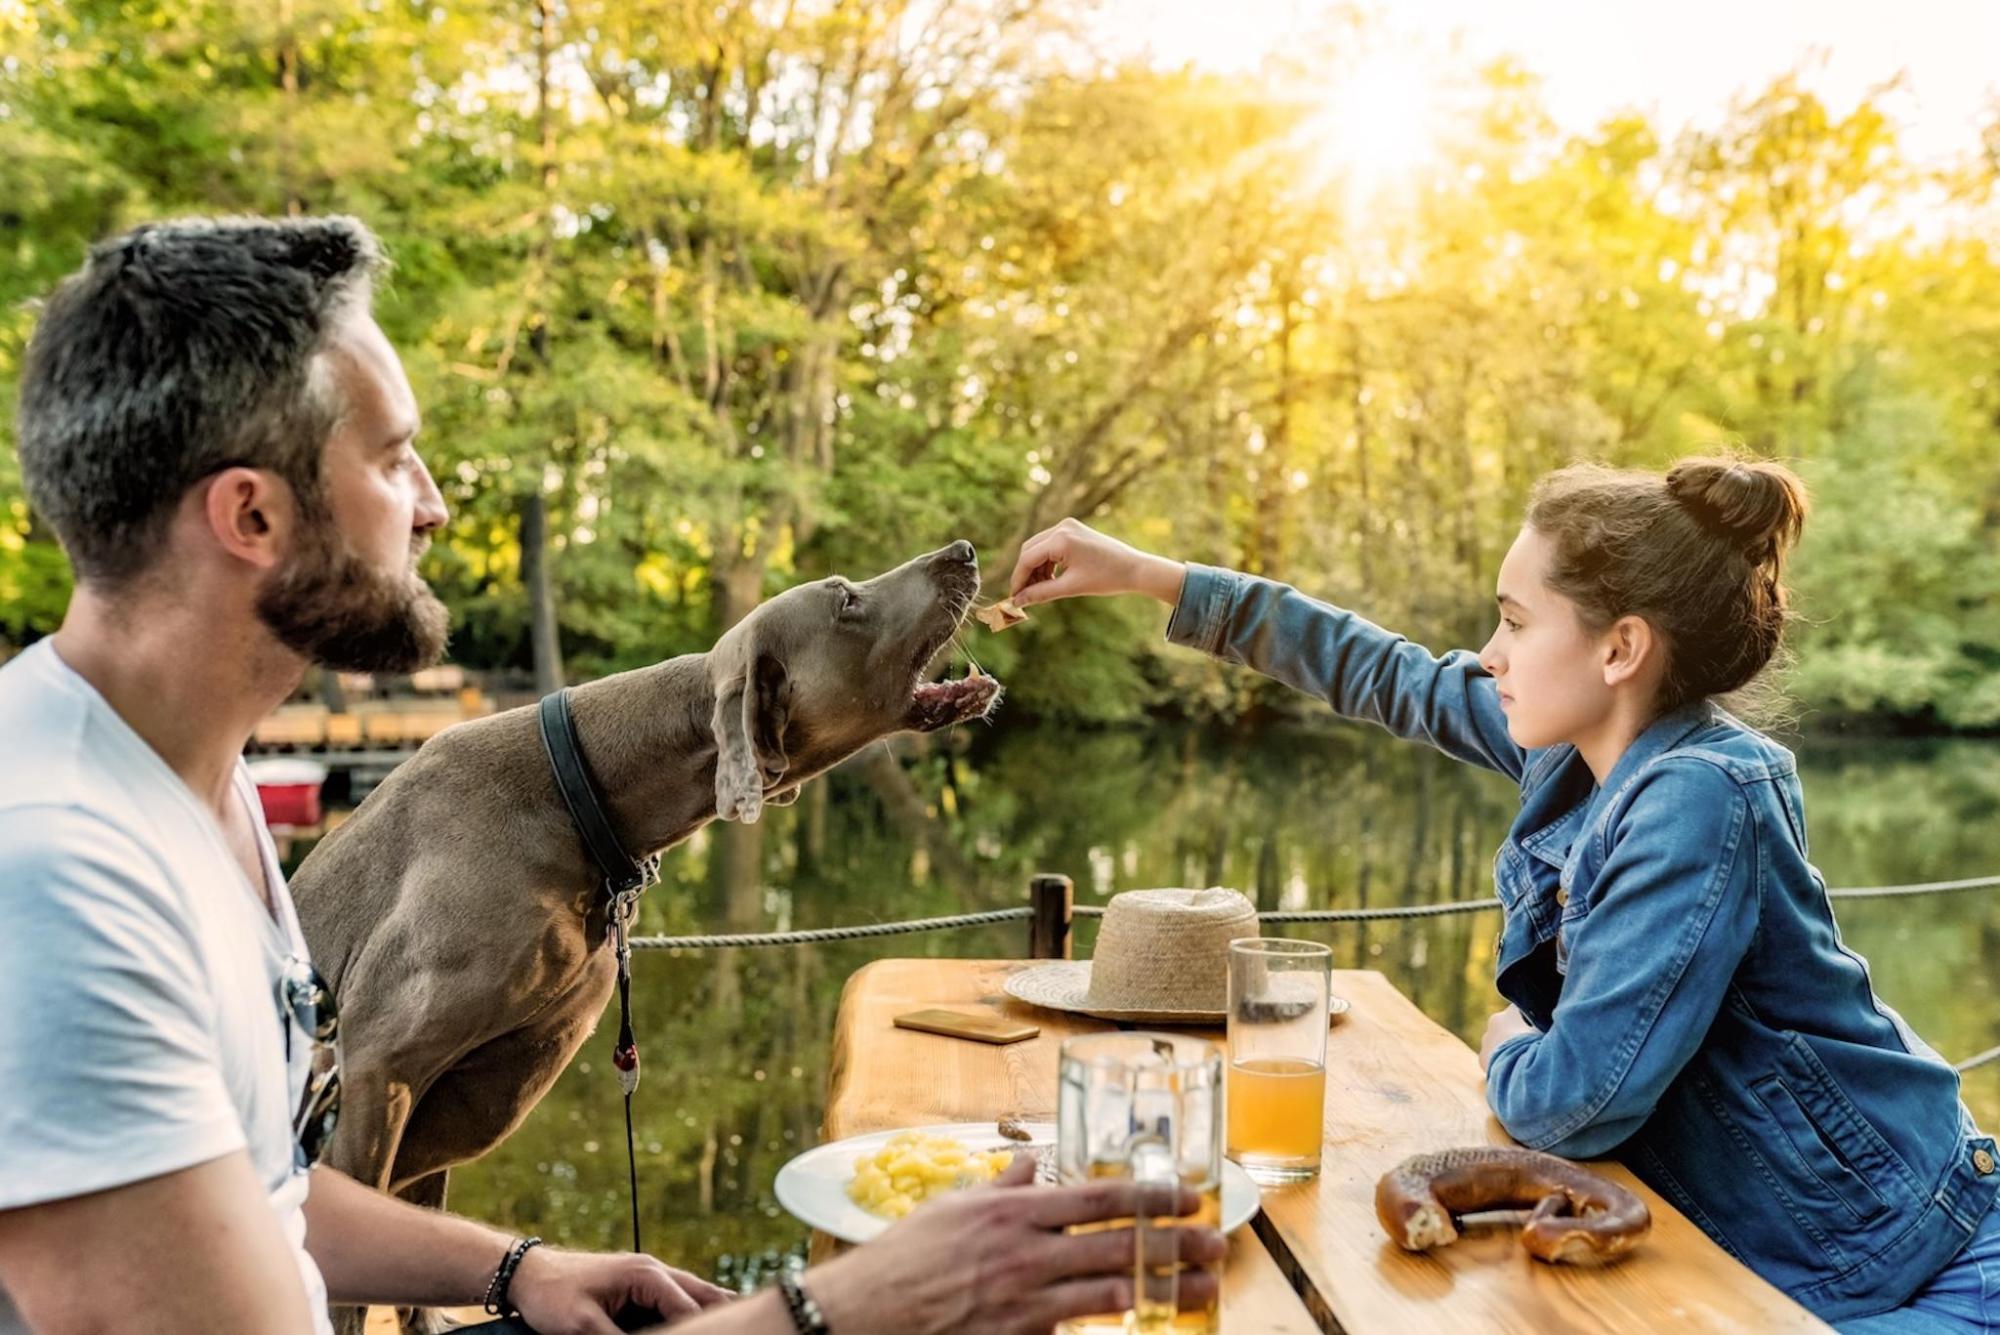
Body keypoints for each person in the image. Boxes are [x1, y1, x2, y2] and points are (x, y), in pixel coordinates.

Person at [0, 215, 1222, 1335]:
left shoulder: (176, 784)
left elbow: (253, 1196)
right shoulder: (58, 875)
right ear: (250, 517)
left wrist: (509, 1270)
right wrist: (824, 1313)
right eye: (393, 461)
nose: (428, 508)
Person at [1005, 476, 2000, 1330]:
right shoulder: (1574, 746)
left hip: (1907, 1253)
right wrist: (1152, 576)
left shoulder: (1699, 795)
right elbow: (1384, 672)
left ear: (1618, 651)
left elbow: (1575, 1102)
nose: (1487, 652)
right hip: (1764, 1248)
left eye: (1515, 623)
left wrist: (1503, 1048)